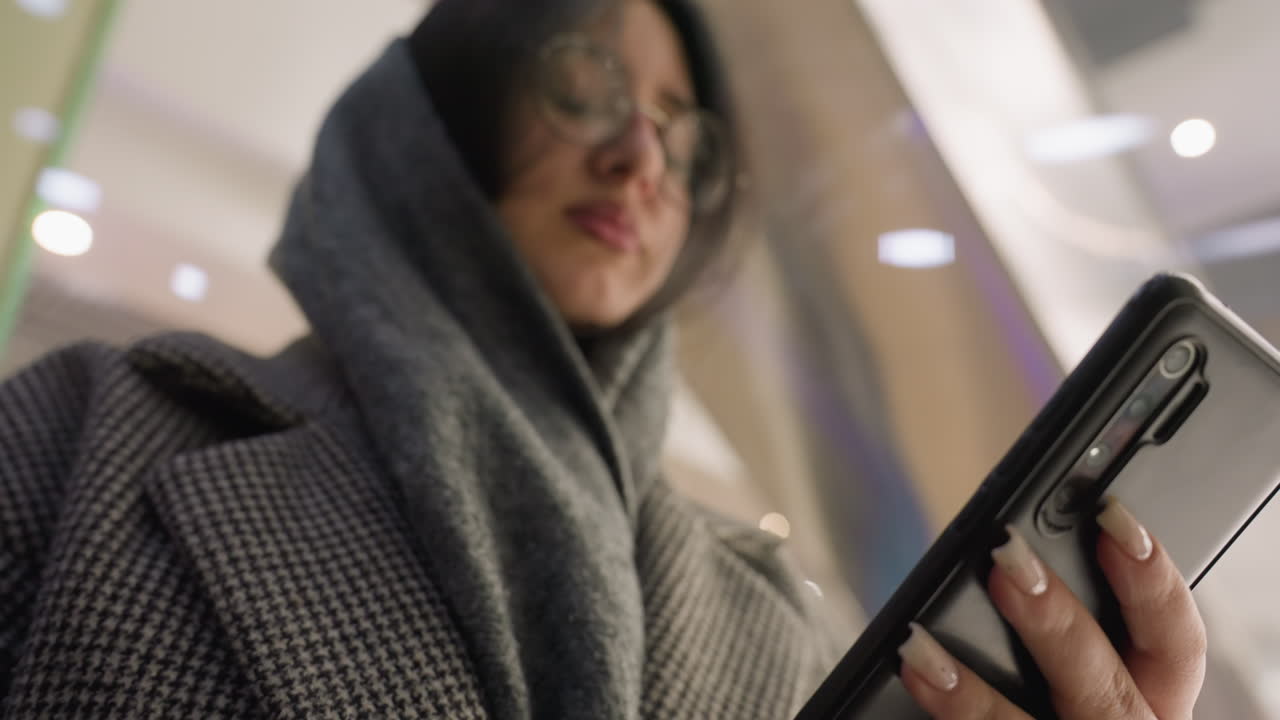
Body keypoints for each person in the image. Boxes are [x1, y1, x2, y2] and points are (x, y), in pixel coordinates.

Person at [0, 0, 1205, 718]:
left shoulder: (779, 630)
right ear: (435, 121)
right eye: (584, 82)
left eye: (684, 136)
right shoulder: (85, 433)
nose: (640, 157)